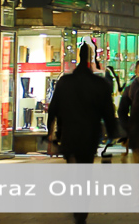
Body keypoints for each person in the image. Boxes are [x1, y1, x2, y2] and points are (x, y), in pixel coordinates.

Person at [47, 44, 118, 224]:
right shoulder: (99, 84)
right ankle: (81, 212)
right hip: (89, 136)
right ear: (91, 57)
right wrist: (112, 134)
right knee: (85, 173)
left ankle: (75, 204)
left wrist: (51, 133)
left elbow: (53, 109)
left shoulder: (65, 82)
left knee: (73, 171)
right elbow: (108, 113)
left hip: (69, 135)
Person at [117, 58, 139, 158]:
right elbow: (122, 111)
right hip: (137, 136)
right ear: (136, 72)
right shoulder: (130, 89)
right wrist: (130, 127)